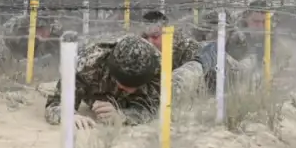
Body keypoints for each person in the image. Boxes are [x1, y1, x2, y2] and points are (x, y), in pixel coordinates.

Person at [45, 34, 224, 129]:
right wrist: (69, 115)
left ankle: (206, 56)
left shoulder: (157, 69)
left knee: (184, 80)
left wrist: (122, 116)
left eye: (132, 87)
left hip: (175, 73)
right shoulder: (86, 65)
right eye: (122, 85)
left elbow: (152, 108)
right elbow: (55, 104)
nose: (127, 91)